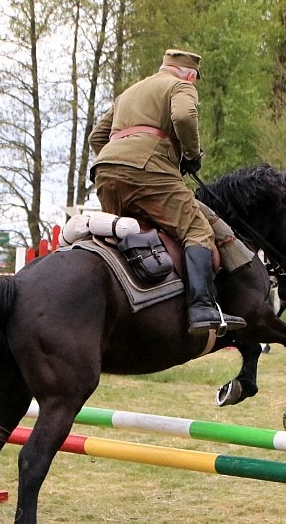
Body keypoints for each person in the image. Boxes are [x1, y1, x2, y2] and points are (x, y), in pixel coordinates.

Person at [89, 48, 244, 336]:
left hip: (106, 172)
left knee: (123, 234)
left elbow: (97, 136)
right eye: (195, 79)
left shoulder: (129, 92)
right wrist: (191, 154)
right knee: (197, 230)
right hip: (149, 170)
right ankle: (201, 308)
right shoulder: (179, 86)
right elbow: (184, 117)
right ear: (190, 73)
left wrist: (118, 158)